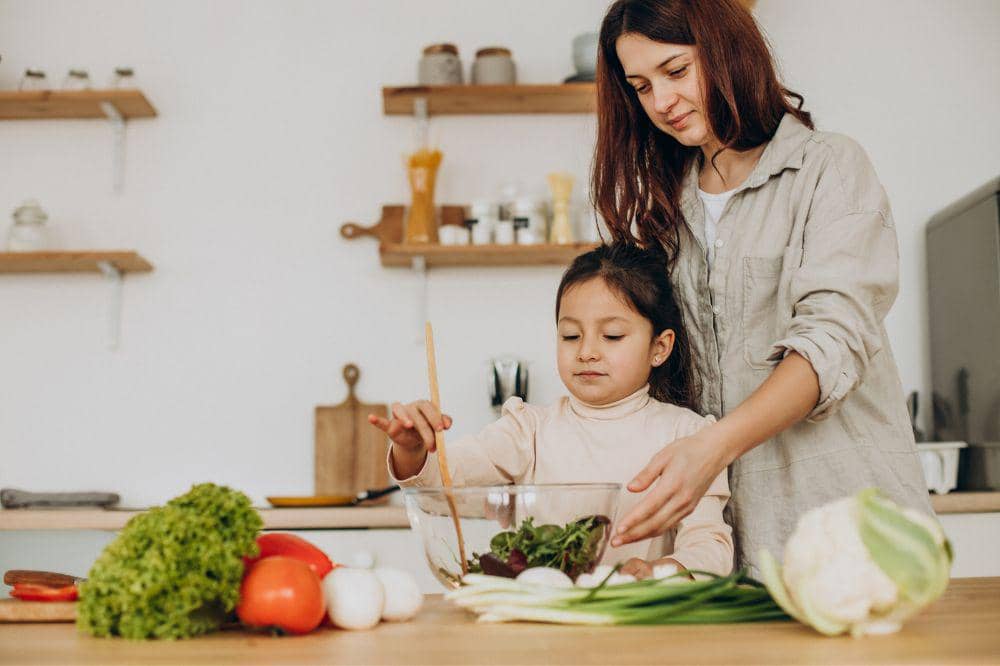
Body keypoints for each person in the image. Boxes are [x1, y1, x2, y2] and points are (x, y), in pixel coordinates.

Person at [592, 0, 932, 574]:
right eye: (642, 87)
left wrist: (712, 447)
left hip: (850, 532)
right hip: (723, 555)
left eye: (676, 71)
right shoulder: (664, 208)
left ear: (727, 49)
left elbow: (831, 340)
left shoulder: (829, 168)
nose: (662, 102)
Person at [370, 242, 733, 576]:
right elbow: (442, 487)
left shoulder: (688, 436)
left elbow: (709, 548)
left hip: (643, 626)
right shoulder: (527, 430)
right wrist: (412, 449)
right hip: (542, 626)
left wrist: (660, 570)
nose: (586, 351)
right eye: (571, 336)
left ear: (660, 347)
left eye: (612, 336)